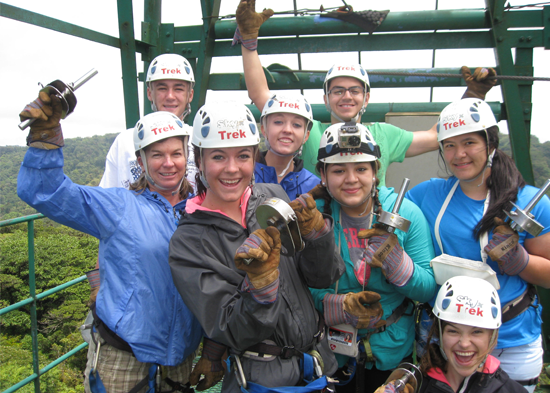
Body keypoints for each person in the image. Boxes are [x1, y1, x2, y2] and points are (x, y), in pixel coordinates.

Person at [17, 94, 203, 393]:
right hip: (122, 355)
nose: (168, 163)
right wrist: (45, 138)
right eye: (156, 155)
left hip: (180, 358)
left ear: (187, 157)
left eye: (176, 154)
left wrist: (214, 351)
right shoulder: (118, 206)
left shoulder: (200, 212)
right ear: (140, 161)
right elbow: (45, 192)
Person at [168, 102, 345, 392]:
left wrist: (316, 235)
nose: (232, 168)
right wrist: (260, 286)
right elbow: (230, 329)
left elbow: (322, 277)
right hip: (261, 379)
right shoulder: (189, 242)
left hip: (318, 362)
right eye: (218, 157)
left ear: (254, 157)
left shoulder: (271, 196)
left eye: (243, 156)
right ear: (199, 161)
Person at [232, 0, 498, 185]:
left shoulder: (386, 135)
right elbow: (262, 96)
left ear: (366, 98)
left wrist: (474, 96)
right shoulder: (311, 133)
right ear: (326, 99)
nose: (346, 96)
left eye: (354, 90)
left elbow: (439, 134)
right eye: (337, 91)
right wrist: (249, 40)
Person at [406, 98, 550, 393]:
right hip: (445, 340)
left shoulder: (529, 202)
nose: (459, 154)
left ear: (491, 142)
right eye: (449, 145)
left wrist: (519, 261)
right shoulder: (428, 195)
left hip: (511, 340)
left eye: (469, 142)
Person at [309, 123, 437, 392]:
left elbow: (426, 288)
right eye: (338, 170)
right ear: (322, 173)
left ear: (376, 171)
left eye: (361, 168)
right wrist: (340, 306)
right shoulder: (314, 217)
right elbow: (298, 288)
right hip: (332, 353)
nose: (351, 179)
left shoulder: (406, 214)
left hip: (391, 353)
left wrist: (398, 264)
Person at [375, 276, 527, 393]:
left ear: (492, 336)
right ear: (439, 333)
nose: (464, 343)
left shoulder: (509, 390)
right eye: (453, 331)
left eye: (477, 332)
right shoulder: (417, 385)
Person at [100, 53, 198, 190]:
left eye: (178, 89)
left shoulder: (199, 140)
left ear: (190, 95)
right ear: (149, 93)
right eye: (162, 88)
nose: (170, 96)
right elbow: (107, 197)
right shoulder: (125, 142)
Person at [254, 93, 320, 199]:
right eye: (278, 122)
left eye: (297, 125)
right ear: (264, 130)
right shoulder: (245, 177)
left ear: (306, 136)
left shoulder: (314, 187)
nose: (287, 130)